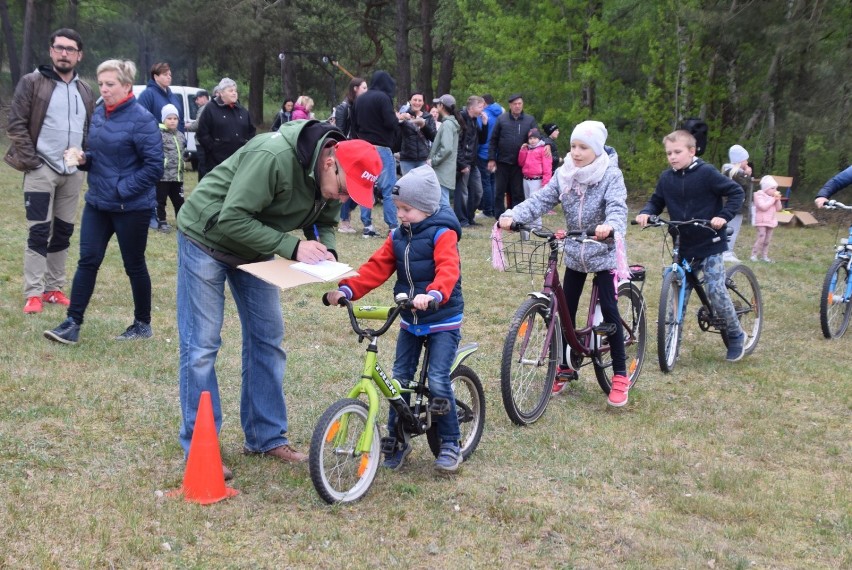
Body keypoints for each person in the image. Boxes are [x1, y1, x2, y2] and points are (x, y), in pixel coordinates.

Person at [175, 119, 381, 477]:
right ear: (330, 163)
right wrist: (293, 246)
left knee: (267, 338)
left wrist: (328, 251)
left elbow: (327, 220)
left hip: (256, 246)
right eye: (343, 191)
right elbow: (232, 218)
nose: (343, 200)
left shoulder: (332, 177)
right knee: (202, 346)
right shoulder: (272, 156)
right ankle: (200, 448)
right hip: (206, 238)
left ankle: (265, 437)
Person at [324, 165, 465, 472]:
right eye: (398, 208)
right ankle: (397, 440)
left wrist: (435, 293)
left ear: (427, 209)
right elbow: (376, 268)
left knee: (439, 379)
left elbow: (448, 269)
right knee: (399, 381)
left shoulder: (443, 234)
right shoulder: (397, 237)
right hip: (410, 318)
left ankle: (451, 443)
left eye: (407, 209)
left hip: (442, 316)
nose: (400, 214)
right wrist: (347, 289)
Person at [500, 120, 632, 406]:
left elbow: (618, 208)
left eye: (584, 147)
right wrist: (513, 215)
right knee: (565, 311)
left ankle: (620, 374)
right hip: (575, 251)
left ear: (596, 150)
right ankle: (564, 366)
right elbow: (541, 200)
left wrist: (609, 226)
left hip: (603, 251)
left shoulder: (611, 175)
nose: (577, 152)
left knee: (610, 309)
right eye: (573, 146)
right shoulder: (565, 174)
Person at [43, 59, 164, 345]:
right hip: (98, 203)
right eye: (101, 84)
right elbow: (100, 155)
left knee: (134, 264)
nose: (104, 90)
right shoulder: (99, 114)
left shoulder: (142, 119)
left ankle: (142, 324)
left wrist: (122, 189)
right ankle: (72, 323)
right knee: (88, 260)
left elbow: (154, 167)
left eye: (110, 84)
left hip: (130, 207)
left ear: (126, 86)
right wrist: (84, 159)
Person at [635, 129, 747, 362]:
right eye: (669, 153)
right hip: (682, 243)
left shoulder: (706, 173)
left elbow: (735, 191)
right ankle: (671, 342)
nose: (672, 157)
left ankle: (736, 335)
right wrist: (647, 213)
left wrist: (723, 216)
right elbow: (656, 200)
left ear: (692, 151)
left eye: (677, 152)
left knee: (715, 290)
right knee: (677, 293)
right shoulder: (667, 178)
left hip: (710, 242)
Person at [6, 28, 95, 314]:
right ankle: (33, 293)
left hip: (72, 173)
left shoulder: (85, 90)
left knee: (63, 232)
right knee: (38, 231)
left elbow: (89, 130)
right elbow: (16, 123)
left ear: (79, 55)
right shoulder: (33, 82)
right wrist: (32, 161)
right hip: (40, 170)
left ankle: (53, 289)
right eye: (59, 47)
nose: (64, 53)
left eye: (70, 49)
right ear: (51, 51)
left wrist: (84, 159)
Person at [351, 70, 402, 238]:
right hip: (382, 148)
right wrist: (398, 119)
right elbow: (390, 122)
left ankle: (368, 225)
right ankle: (393, 226)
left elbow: (354, 125)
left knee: (366, 186)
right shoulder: (383, 98)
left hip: (364, 148)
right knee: (388, 189)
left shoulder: (360, 99)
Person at [488, 93, 537, 218]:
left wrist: (547, 144)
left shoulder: (529, 120)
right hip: (502, 161)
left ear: (522, 104)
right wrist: (491, 158)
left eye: (519, 103)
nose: (517, 106)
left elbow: (537, 138)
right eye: (515, 104)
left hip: (520, 164)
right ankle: (499, 216)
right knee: (499, 191)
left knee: (517, 192)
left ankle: (516, 216)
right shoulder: (502, 119)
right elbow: (493, 140)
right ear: (510, 105)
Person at [196, 77, 256, 172]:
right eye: (230, 90)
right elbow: (202, 133)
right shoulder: (210, 109)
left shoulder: (243, 111)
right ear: (221, 93)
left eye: (235, 91)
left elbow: (251, 132)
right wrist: (213, 148)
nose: (234, 93)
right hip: (216, 163)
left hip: (238, 161)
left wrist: (246, 147)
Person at [333, 77, 368, 234]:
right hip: (346, 151)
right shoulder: (344, 107)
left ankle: (345, 215)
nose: (366, 91)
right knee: (348, 187)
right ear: (355, 89)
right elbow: (339, 131)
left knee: (360, 186)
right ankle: (344, 221)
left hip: (359, 150)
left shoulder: (360, 106)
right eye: (364, 88)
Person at [454, 95, 487, 227]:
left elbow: (482, 140)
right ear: (472, 107)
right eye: (480, 107)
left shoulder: (474, 120)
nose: (482, 109)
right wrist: (461, 164)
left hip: (473, 163)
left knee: (478, 191)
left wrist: (485, 125)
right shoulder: (461, 119)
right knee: (462, 192)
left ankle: (469, 217)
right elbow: (457, 144)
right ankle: (461, 220)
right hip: (463, 162)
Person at [155, 104, 186, 233]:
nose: (172, 121)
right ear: (163, 120)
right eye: (169, 118)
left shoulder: (180, 135)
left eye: (175, 118)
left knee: (179, 200)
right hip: (163, 175)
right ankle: (161, 221)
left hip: (177, 176)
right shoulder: (159, 135)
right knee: (160, 200)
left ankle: (182, 221)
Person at [428, 94, 463, 210]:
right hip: (445, 169)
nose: (436, 105)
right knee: (442, 200)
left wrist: (433, 161)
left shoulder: (447, 124)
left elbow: (446, 148)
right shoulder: (450, 123)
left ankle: (448, 225)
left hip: (442, 169)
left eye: (438, 103)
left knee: (443, 202)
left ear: (442, 106)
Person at [720, 144, 753, 263]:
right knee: (733, 229)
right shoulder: (737, 174)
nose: (747, 162)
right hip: (735, 207)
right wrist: (748, 176)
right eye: (745, 159)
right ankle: (727, 252)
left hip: (728, 206)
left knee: (728, 228)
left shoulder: (728, 172)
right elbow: (745, 188)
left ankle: (727, 250)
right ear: (739, 161)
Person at [517, 127, 553, 230]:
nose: (532, 140)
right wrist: (523, 151)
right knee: (528, 201)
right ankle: (529, 223)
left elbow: (547, 167)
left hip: (537, 180)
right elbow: (521, 162)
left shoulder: (543, 149)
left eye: (535, 138)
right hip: (526, 179)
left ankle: (537, 225)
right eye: (530, 138)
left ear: (539, 139)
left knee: (535, 202)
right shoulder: (527, 149)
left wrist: (546, 183)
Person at [475, 94, 502, 218]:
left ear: (484, 103)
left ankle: (487, 210)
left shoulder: (484, 115)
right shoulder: (501, 115)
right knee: (493, 181)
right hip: (496, 152)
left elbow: (481, 135)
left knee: (485, 181)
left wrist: (476, 152)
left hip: (484, 152)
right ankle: (493, 208)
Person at [398, 91, 437, 175]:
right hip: (406, 159)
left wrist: (424, 125)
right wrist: (400, 118)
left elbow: (434, 137)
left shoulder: (428, 117)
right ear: (410, 101)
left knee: (422, 186)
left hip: (423, 159)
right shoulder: (403, 116)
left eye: (420, 100)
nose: (417, 103)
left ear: (423, 103)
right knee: (408, 186)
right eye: (415, 100)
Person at [751, 175, 783, 262]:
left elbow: (779, 208)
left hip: (771, 221)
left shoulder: (773, 198)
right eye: (772, 188)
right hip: (761, 221)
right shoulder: (759, 195)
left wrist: (778, 200)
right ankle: (754, 254)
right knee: (761, 237)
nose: (775, 190)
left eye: (776, 188)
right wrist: (773, 200)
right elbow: (763, 207)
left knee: (767, 240)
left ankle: (764, 256)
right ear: (766, 188)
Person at [185, 89, 210, 178]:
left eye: (197, 99)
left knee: (202, 166)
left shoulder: (204, 108)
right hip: (207, 141)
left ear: (203, 98)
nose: (196, 101)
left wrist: (188, 126)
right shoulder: (211, 108)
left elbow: (198, 125)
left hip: (202, 141)